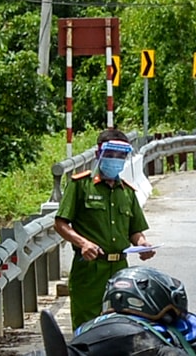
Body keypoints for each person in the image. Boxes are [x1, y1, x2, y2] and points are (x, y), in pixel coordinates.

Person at [54, 128, 153, 327]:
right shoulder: (81, 185)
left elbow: (135, 230)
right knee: (87, 326)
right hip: (90, 269)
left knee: (121, 324)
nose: (115, 159)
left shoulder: (127, 191)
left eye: (121, 155)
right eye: (111, 154)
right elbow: (60, 223)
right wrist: (83, 243)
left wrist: (143, 244)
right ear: (99, 155)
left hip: (120, 270)